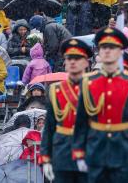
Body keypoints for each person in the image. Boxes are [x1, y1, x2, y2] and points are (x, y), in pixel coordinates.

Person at [72, 27, 128, 182]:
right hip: (96, 149)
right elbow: (81, 120)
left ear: (120, 52)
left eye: (112, 47)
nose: (107, 51)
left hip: (124, 149)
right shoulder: (87, 82)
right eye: (104, 47)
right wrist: (78, 151)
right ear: (99, 52)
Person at [41, 38, 92, 182]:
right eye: (69, 58)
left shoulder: (95, 88)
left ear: (86, 62)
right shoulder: (55, 90)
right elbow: (50, 127)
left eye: (77, 58)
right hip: (62, 153)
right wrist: (46, 157)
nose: (73, 62)